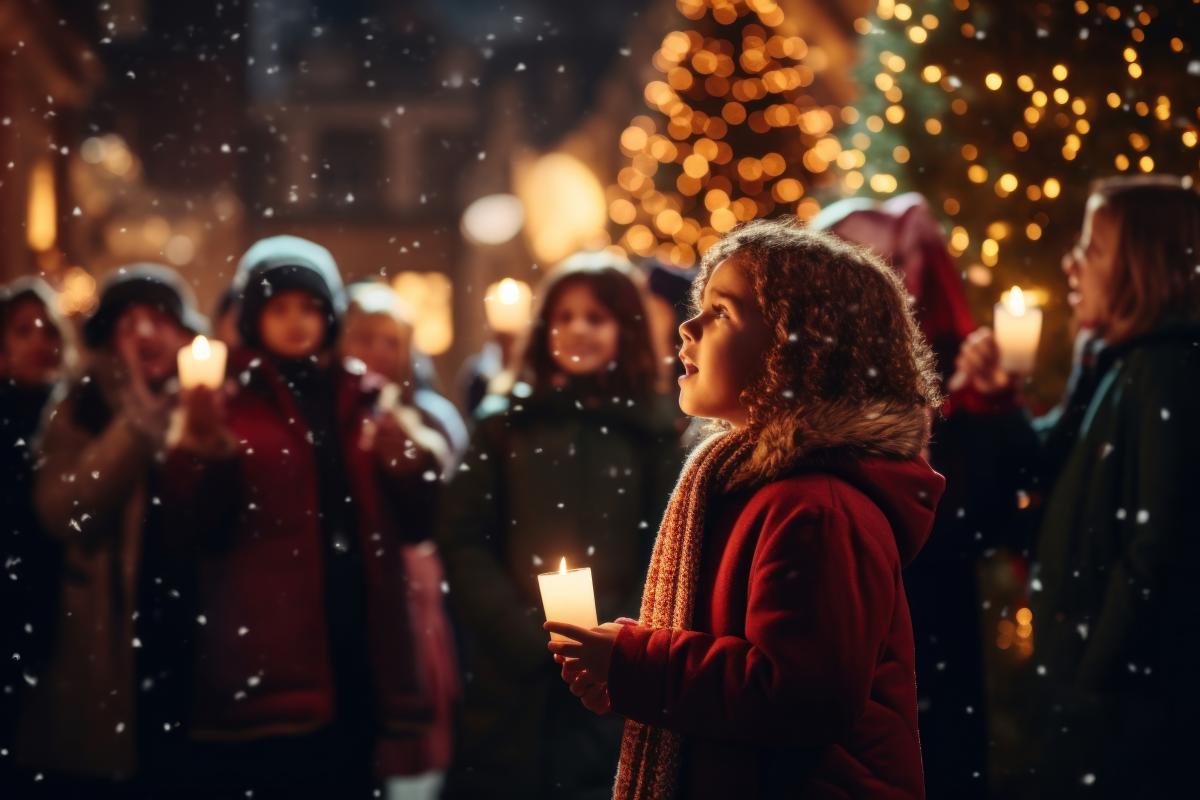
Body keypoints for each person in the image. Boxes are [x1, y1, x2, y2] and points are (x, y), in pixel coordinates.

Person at [545, 219, 945, 799]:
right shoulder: (748, 484)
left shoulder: (819, 508)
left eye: (722, 312)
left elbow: (798, 695)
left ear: (795, 349)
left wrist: (639, 663)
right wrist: (624, 662)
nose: (687, 326)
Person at [948, 175, 1200, 798]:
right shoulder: (1111, 366)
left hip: (1130, 704)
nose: (1072, 262)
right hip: (1097, 689)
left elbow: (1157, 548)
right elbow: (1045, 467)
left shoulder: (1166, 372)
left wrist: (1095, 674)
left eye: (1092, 248)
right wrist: (1000, 404)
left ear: (1144, 267)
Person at [164, 236, 437, 799]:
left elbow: (418, 524)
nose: (295, 322)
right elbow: (194, 528)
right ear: (253, 316)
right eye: (279, 308)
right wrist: (201, 444)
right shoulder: (228, 402)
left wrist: (407, 463)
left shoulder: (364, 398)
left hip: (354, 641)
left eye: (309, 308)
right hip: (269, 646)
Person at [438, 254, 683, 799]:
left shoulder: (657, 432)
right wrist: (518, 629)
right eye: (563, 316)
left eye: (595, 318)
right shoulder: (504, 424)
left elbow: (666, 547)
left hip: (618, 670)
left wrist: (614, 636)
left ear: (626, 329)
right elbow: (463, 534)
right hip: (511, 674)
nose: (577, 329)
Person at [814, 193, 999, 794]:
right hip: (848, 616)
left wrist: (986, 410)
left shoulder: (948, 370)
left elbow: (974, 511)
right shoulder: (808, 380)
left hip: (928, 602)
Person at [15, 264, 205, 796]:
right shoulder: (80, 408)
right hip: (108, 645)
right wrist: (133, 429)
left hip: (192, 641)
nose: (144, 334)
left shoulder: (209, 401)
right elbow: (63, 512)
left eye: (159, 319)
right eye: (128, 321)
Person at [339, 281, 463, 800]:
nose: (378, 353)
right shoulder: (336, 414)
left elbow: (444, 514)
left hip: (414, 588)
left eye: (392, 341)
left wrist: (413, 460)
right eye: (364, 338)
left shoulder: (429, 418)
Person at [0, 278, 72, 792]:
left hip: (53, 601)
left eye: (48, 329)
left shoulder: (70, 415)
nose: (39, 341)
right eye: (23, 330)